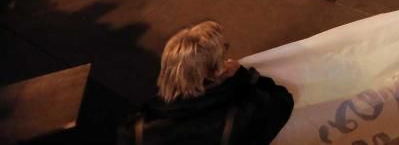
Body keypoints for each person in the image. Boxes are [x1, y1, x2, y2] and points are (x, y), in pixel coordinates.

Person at [118, 20, 293, 145]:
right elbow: (283, 101)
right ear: (216, 71)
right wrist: (244, 76)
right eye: (223, 53)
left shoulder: (137, 128)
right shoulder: (237, 118)